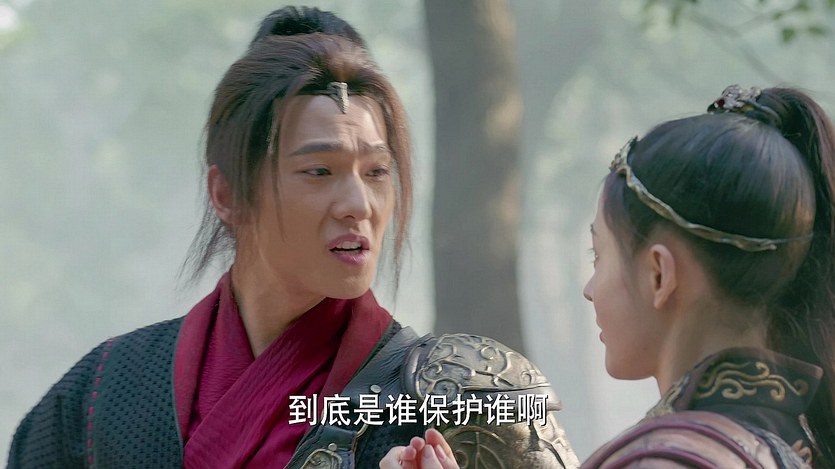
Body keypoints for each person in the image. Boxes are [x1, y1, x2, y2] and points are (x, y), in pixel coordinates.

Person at [7, 6, 577, 469]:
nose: (359, 205)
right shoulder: (104, 395)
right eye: (319, 171)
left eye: (377, 172)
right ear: (227, 194)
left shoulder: (463, 398)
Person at [382, 85, 835, 468]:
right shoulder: (786, 446)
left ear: (658, 274)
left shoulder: (667, 460)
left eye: (598, 256)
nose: (589, 289)